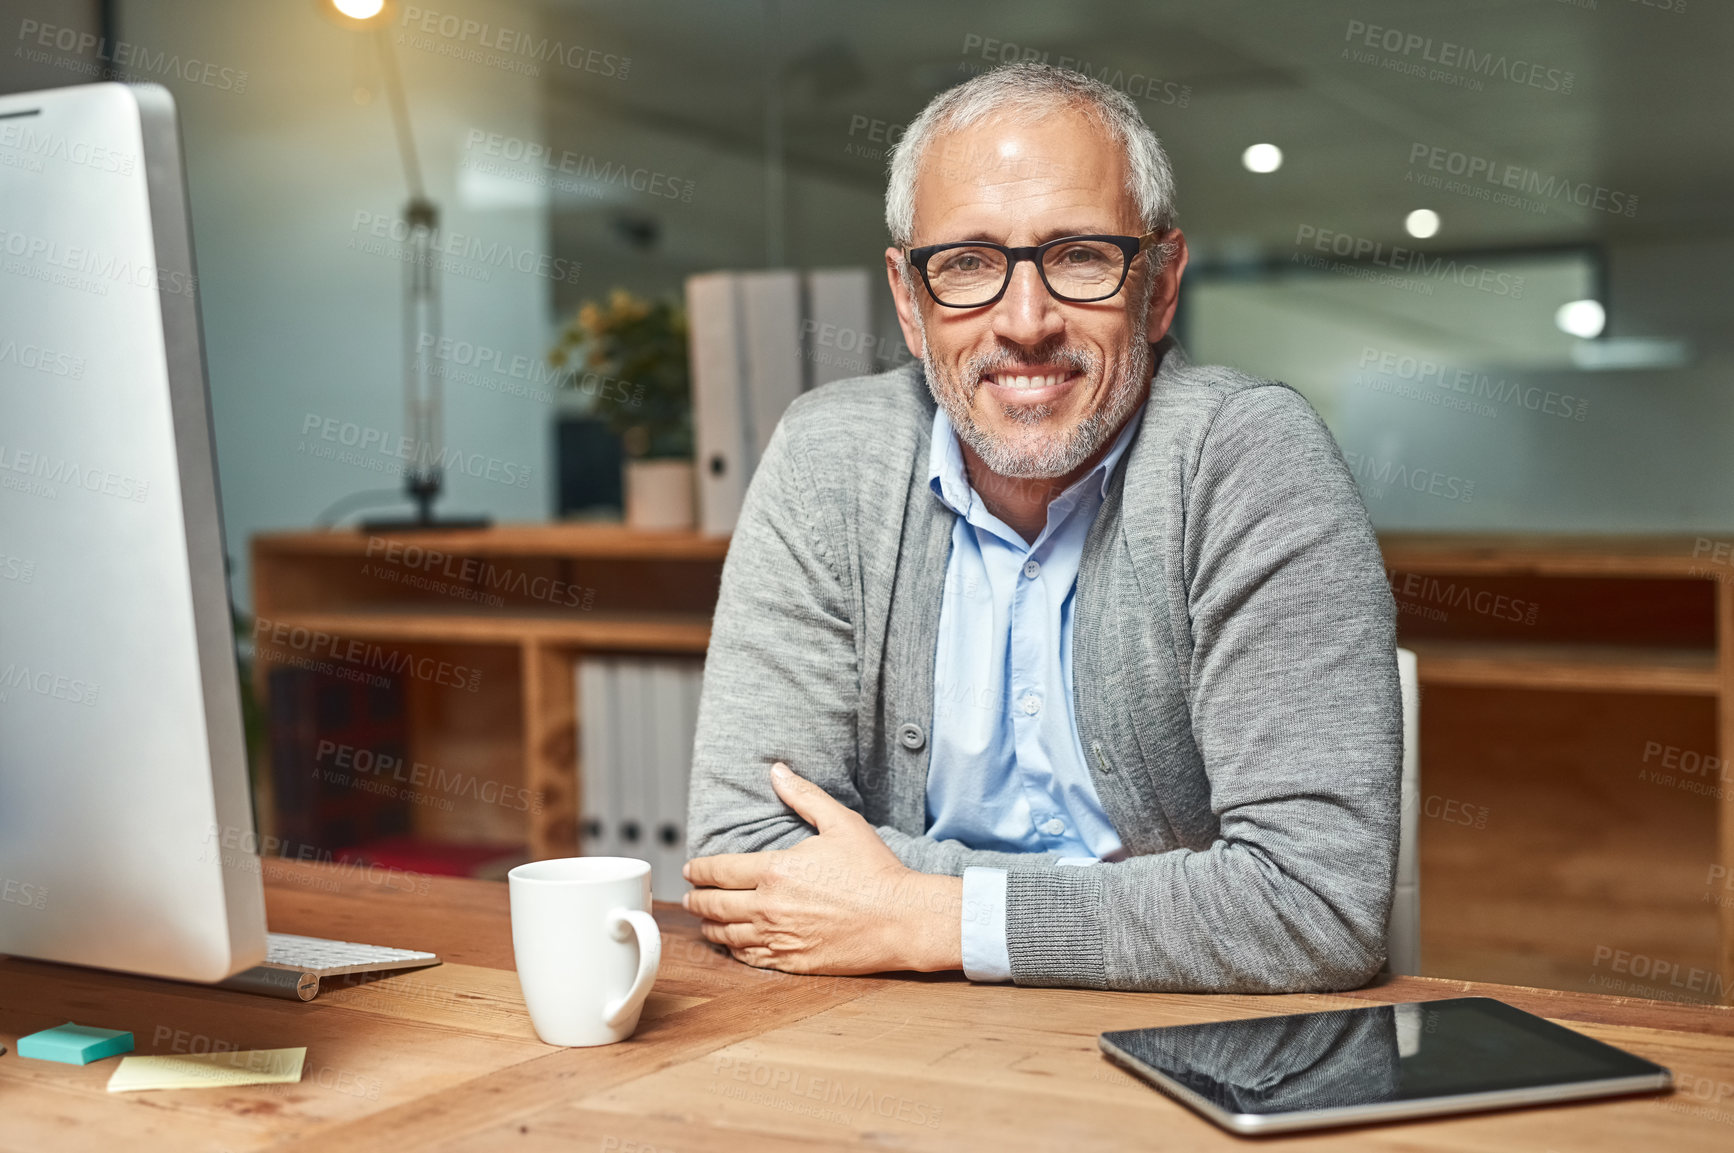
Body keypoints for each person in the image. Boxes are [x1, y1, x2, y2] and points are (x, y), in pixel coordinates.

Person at [681, 61, 1400, 993]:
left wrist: (918, 911)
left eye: (1080, 256)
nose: (1026, 321)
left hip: (1187, 1057)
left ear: (1161, 284)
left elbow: (1313, 905)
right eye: (970, 263)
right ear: (909, 300)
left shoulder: (1248, 458)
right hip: (887, 1048)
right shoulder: (829, 457)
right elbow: (748, 851)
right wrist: (1148, 904)